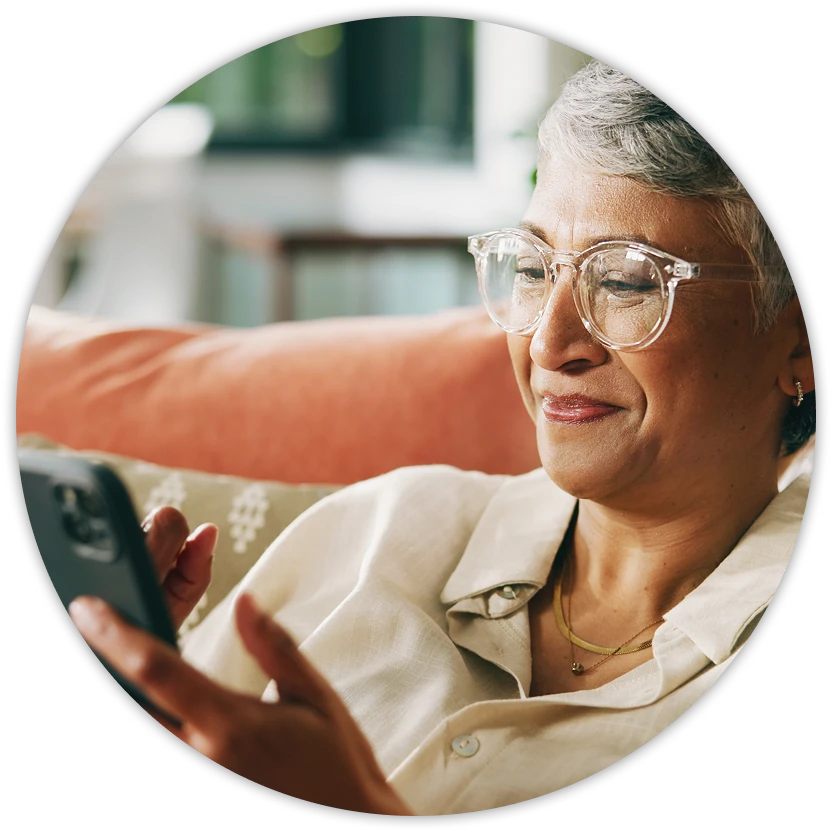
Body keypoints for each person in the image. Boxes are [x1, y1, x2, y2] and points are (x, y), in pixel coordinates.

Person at [67, 60, 816, 816]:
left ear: (800, 343)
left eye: (625, 282)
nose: (550, 342)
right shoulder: (377, 529)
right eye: (532, 268)